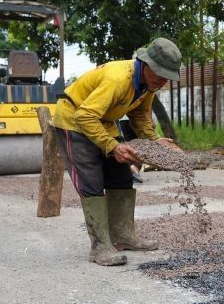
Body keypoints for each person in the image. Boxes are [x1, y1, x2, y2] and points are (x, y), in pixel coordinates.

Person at [53, 37, 182, 266]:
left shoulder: (148, 85)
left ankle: (122, 236)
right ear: (146, 64)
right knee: (92, 180)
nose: (163, 81)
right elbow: (84, 116)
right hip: (73, 120)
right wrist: (113, 146)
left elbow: (140, 116)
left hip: (103, 121)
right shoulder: (118, 78)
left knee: (121, 176)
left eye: (167, 78)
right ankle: (100, 247)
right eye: (160, 75)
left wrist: (154, 142)